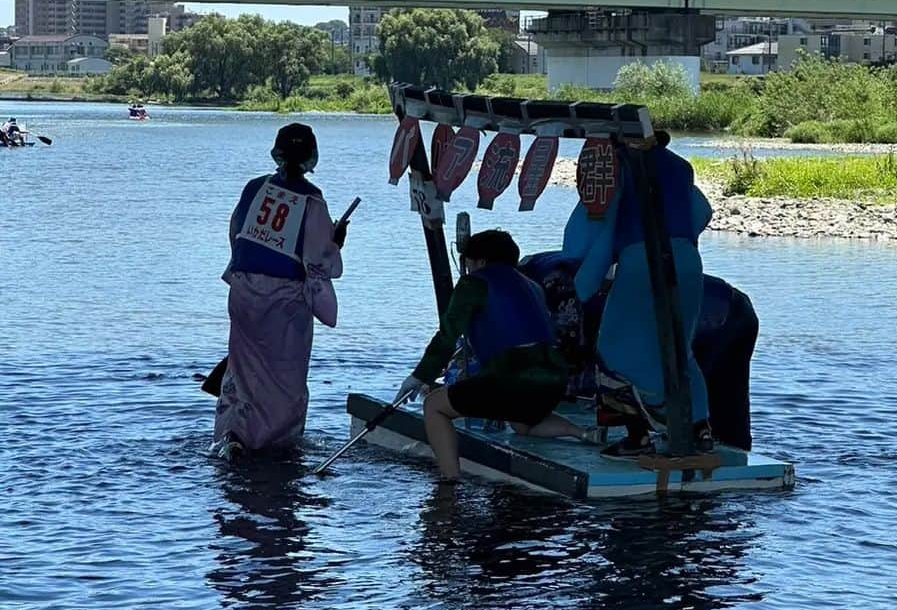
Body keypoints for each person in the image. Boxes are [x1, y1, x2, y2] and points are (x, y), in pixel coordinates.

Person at [395, 229, 596, 481]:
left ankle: (449, 482)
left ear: (479, 261)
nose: (467, 268)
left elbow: (447, 336)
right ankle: (582, 432)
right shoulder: (533, 286)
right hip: (555, 376)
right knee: (521, 422)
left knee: (434, 406)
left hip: (513, 375)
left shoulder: (474, 283)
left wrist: (419, 377)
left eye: (468, 262)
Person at [565, 130, 714, 457]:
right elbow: (703, 212)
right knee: (679, 346)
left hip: (640, 262)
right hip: (688, 261)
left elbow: (597, 225)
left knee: (610, 351)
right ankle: (700, 428)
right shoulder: (679, 166)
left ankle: (638, 435)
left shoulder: (617, 169)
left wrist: (586, 278)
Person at [212, 123, 349, 456]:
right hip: (284, 299)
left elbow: (236, 234)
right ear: (311, 156)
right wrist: (336, 242)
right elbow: (319, 261)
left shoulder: (254, 188)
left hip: (243, 290)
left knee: (242, 370)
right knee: (283, 379)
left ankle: (232, 434)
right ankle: (272, 446)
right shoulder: (312, 201)